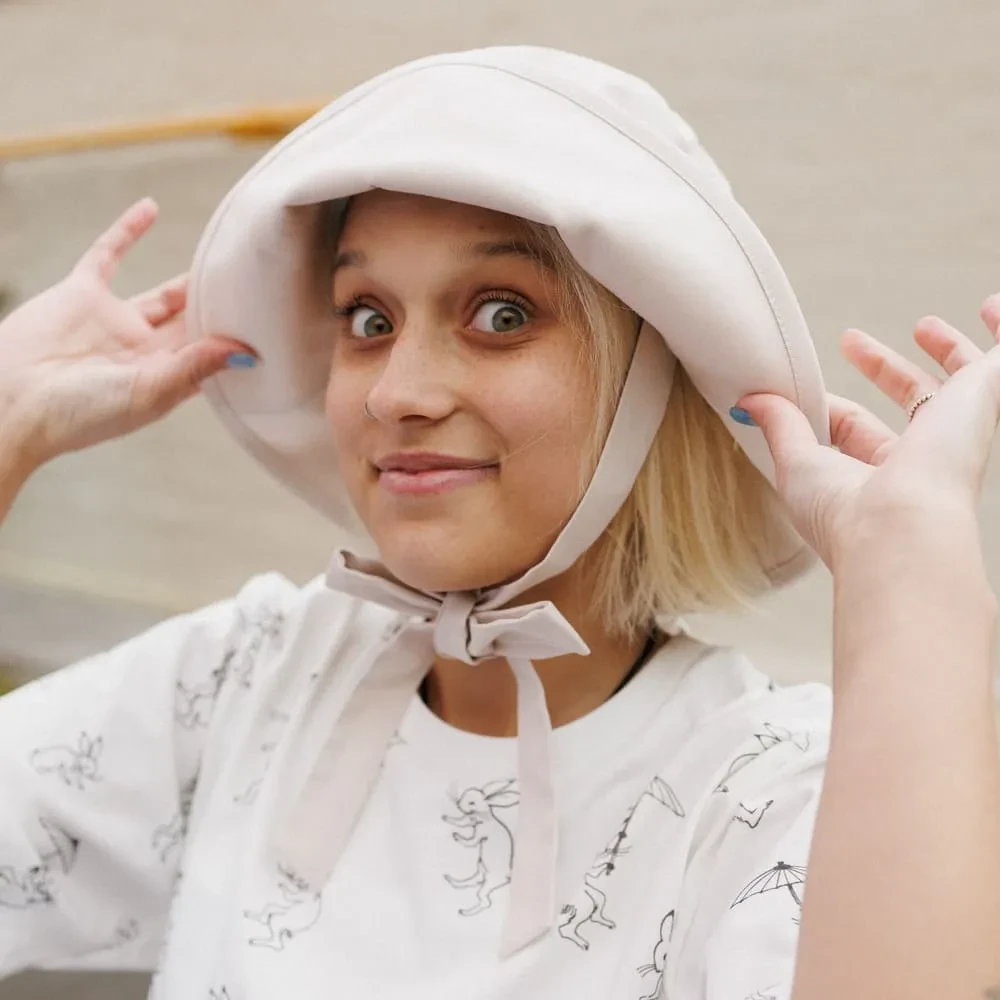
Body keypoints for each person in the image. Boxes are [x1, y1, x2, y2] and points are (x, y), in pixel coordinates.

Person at [0, 46, 997, 1000]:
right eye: (368, 318)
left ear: (652, 380)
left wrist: (910, 561)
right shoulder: (248, 677)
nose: (395, 392)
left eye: (502, 314)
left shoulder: (766, 790)